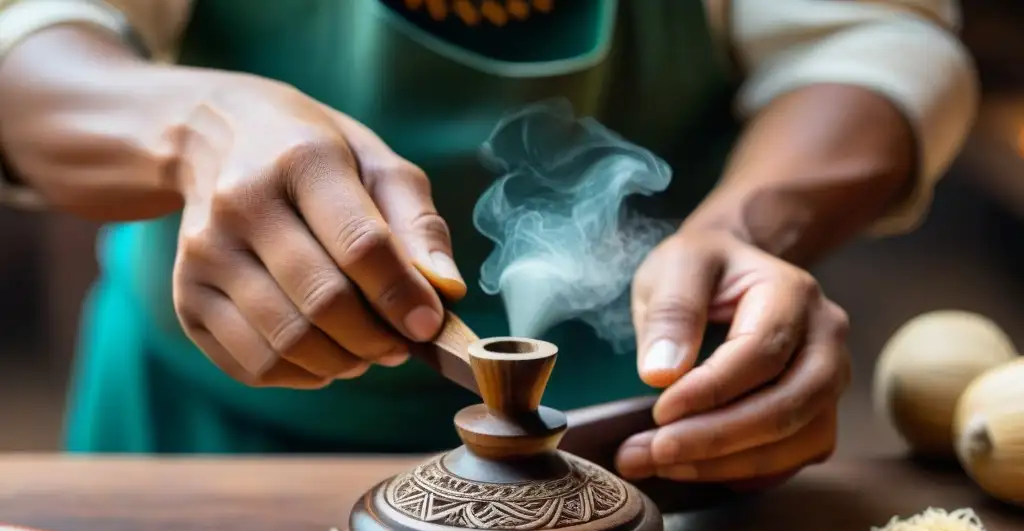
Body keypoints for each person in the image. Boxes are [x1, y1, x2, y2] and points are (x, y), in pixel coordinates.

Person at [0, 0, 977, 486]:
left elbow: (863, 42)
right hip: (205, 441)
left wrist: (747, 226)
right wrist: (198, 125)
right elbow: (33, 36)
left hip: (644, 451)